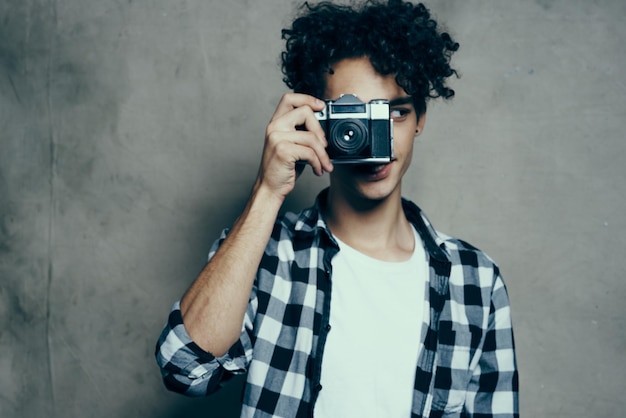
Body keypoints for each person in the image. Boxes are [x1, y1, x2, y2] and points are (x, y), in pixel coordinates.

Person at [155, 0, 519, 417]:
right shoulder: (267, 254)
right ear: (315, 118)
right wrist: (266, 192)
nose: (375, 142)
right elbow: (185, 369)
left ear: (420, 117)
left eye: (394, 113)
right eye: (355, 118)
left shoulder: (474, 281)